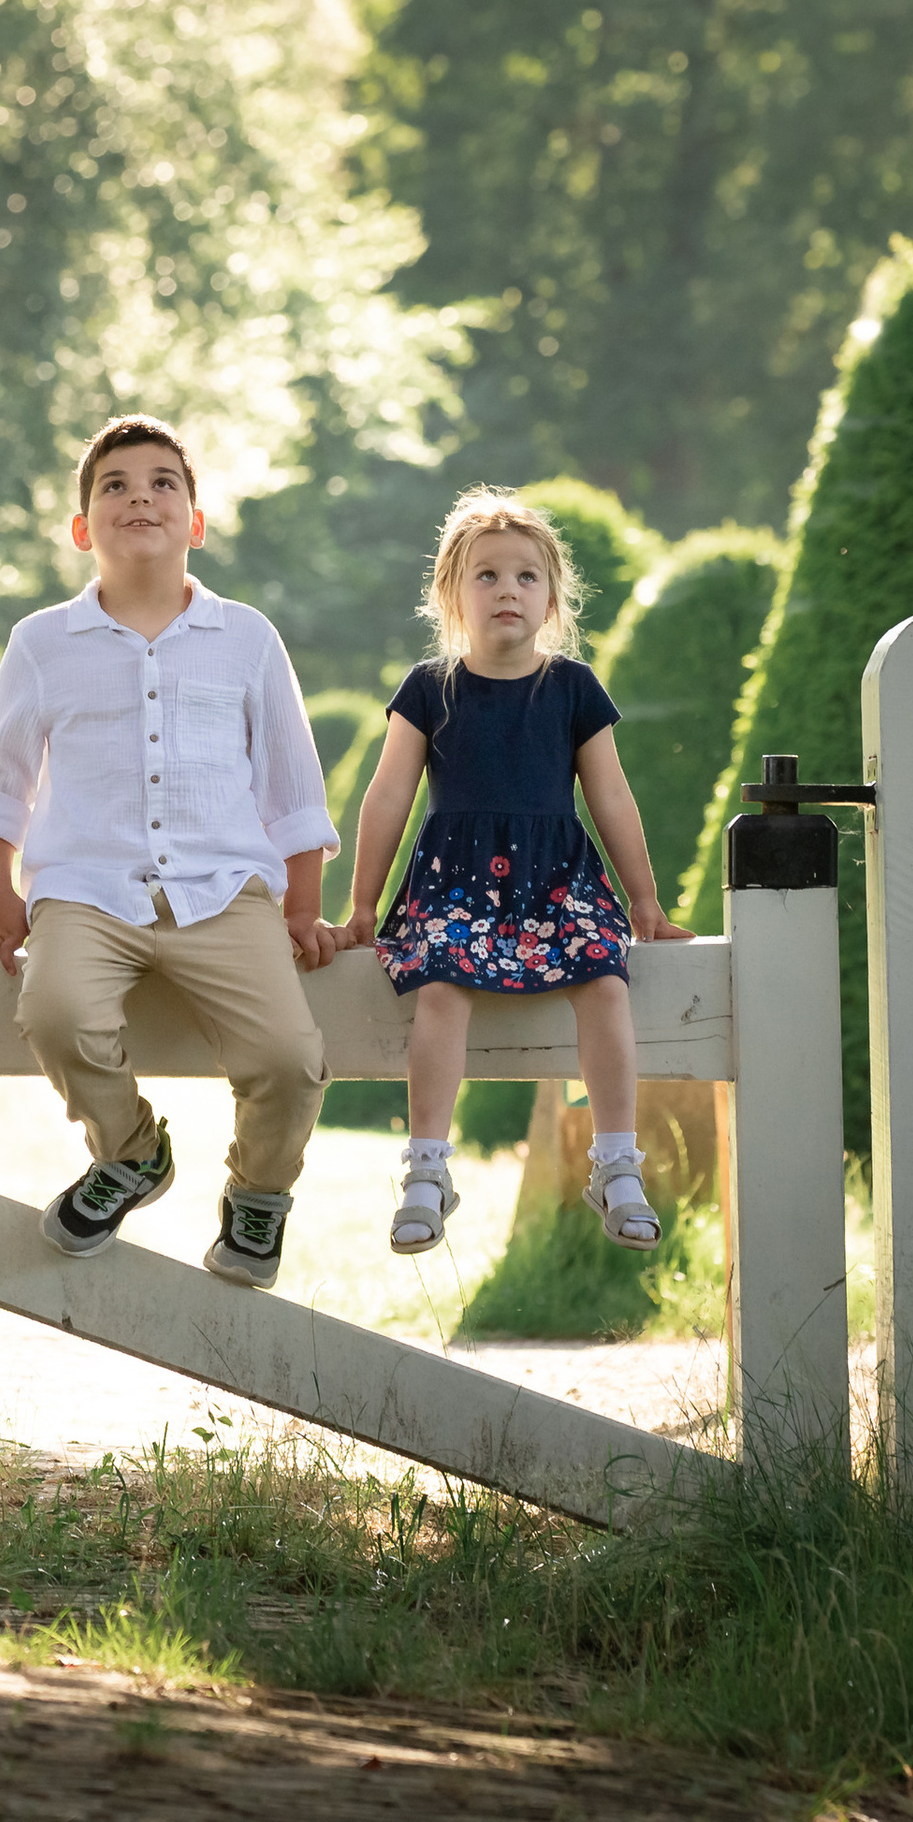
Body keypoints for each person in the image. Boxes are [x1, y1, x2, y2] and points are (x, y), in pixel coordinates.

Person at [0, 415, 338, 1288]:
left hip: (224, 891)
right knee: (54, 1013)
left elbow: (291, 786)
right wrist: (0, 904)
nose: (141, 497)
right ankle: (129, 1154)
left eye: (164, 482)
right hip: (84, 892)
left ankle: (258, 1194)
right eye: (116, 485)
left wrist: (303, 908)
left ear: (196, 521)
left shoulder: (248, 638)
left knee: (288, 1057)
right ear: (83, 526)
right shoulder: (41, 643)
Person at [334, 487, 687, 1256]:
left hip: (555, 881)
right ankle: (427, 1169)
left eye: (527, 577)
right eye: (486, 576)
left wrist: (645, 901)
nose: (507, 591)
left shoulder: (572, 690)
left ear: (553, 597)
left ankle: (615, 1161)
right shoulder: (429, 690)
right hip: (456, 884)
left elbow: (612, 796)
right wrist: (362, 906)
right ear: (451, 594)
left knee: (604, 976)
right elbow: (388, 794)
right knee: (442, 987)